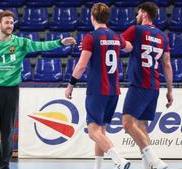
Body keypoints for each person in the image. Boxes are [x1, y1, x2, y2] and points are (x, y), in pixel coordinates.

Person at [0, 10, 76, 169]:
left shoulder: (20, 43)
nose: (10, 25)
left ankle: (4, 166)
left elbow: (41, 45)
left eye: (11, 22)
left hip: (11, 92)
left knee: (7, 132)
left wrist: (60, 42)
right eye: (7, 22)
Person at [65, 3, 133, 169]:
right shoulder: (115, 36)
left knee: (93, 131)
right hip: (113, 90)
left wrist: (70, 85)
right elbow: (129, 47)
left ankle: (119, 160)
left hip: (97, 90)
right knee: (101, 132)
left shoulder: (91, 37)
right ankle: (98, 166)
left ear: (92, 17)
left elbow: (81, 66)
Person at [121, 2, 173, 169]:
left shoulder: (135, 30)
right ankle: (148, 166)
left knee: (128, 123)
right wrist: (170, 91)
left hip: (138, 84)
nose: (136, 16)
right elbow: (167, 64)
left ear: (143, 13)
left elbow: (117, 44)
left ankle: (155, 161)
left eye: (138, 13)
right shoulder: (162, 36)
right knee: (142, 126)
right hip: (154, 86)